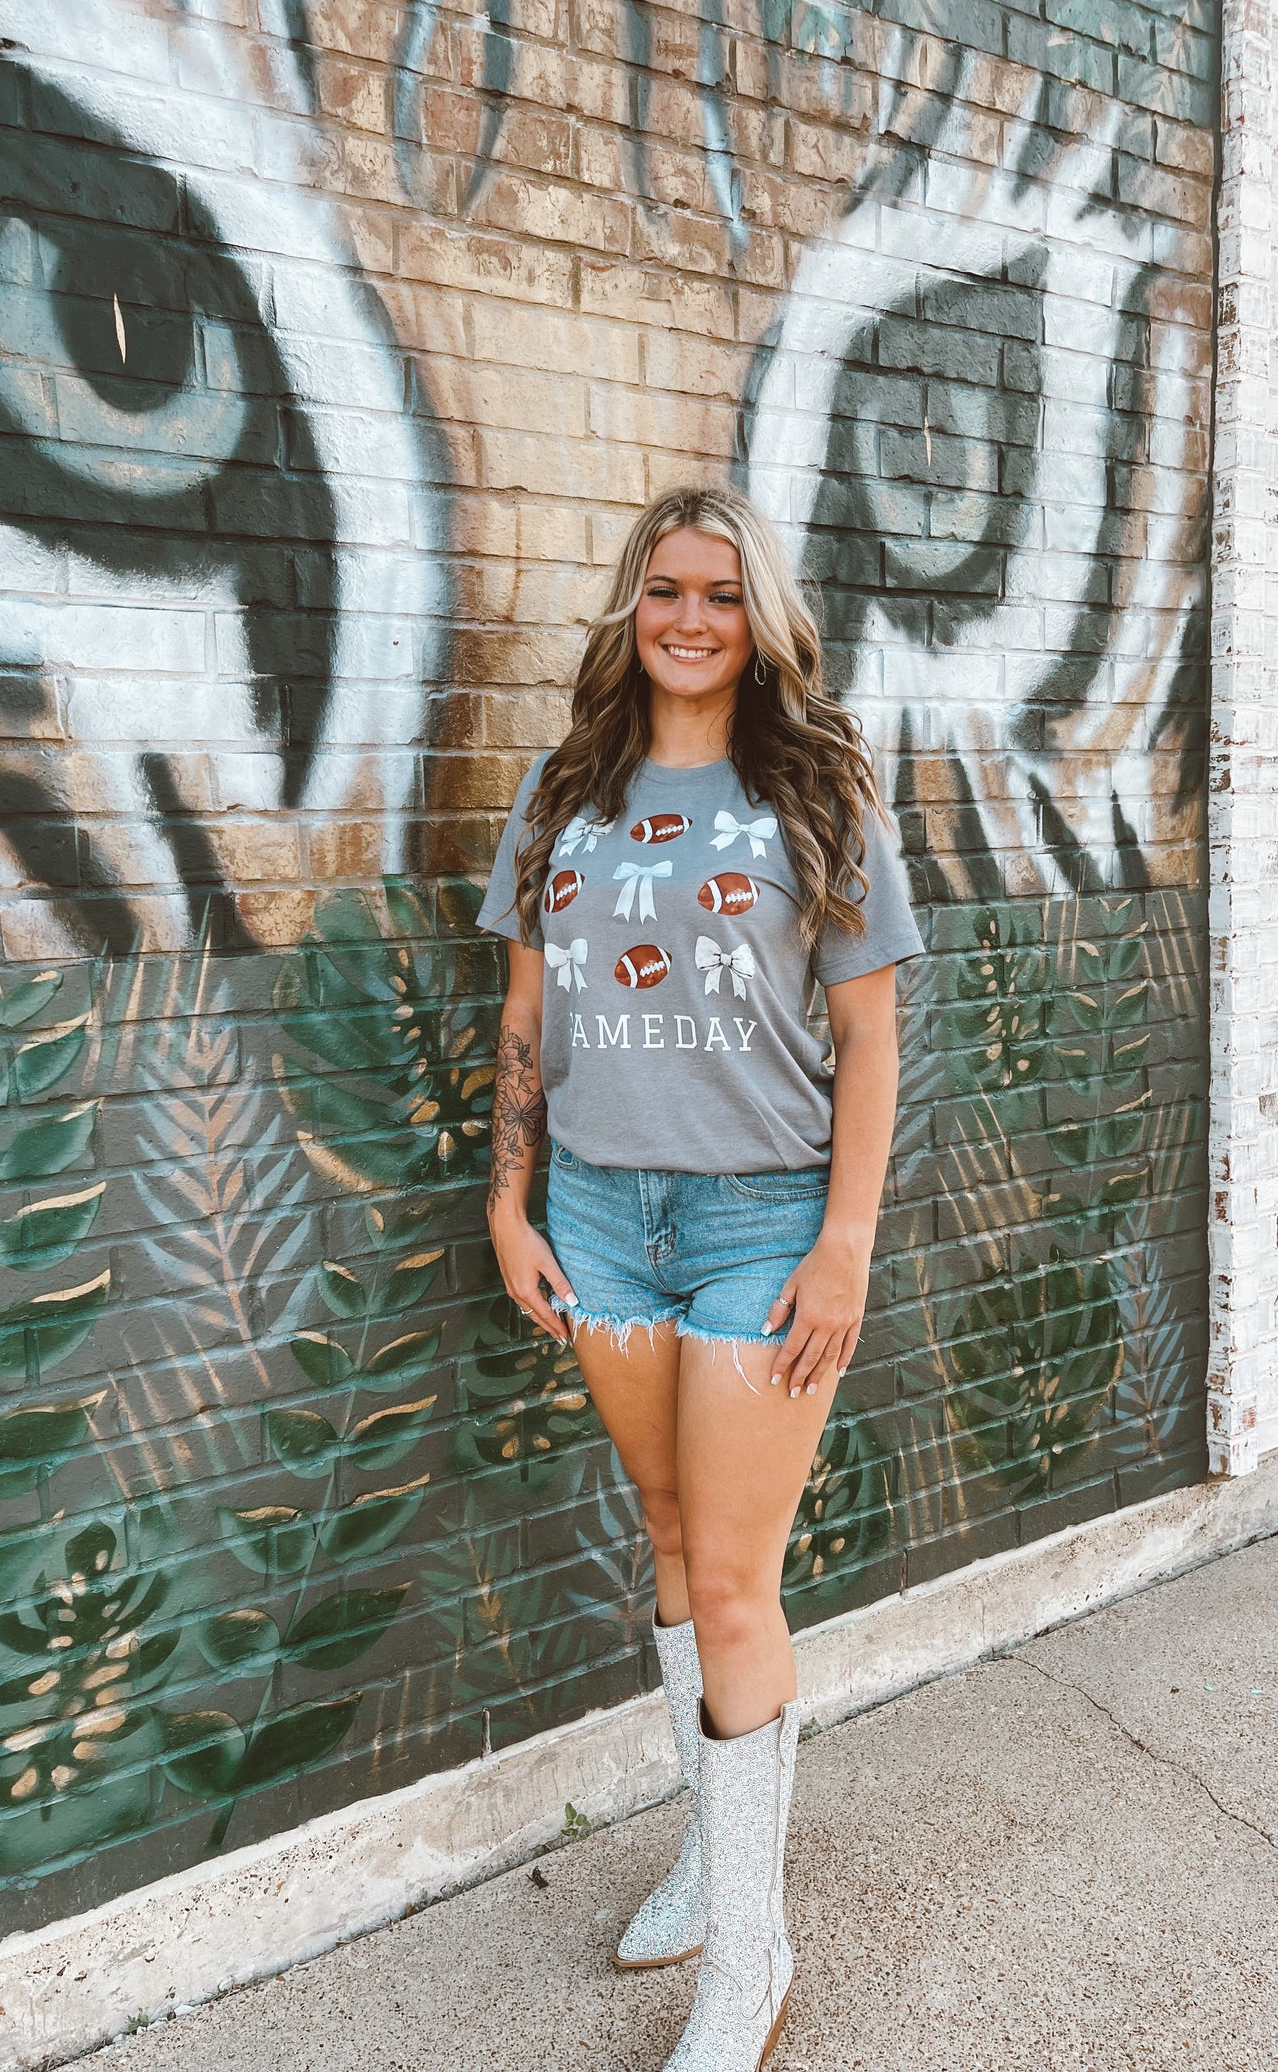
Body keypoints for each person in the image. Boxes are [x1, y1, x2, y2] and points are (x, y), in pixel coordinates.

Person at [476, 484, 923, 2072]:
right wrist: (509, 1201)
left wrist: (844, 1243)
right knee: (667, 1536)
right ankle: (710, 1859)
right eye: (664, 588)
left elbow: (869, 1034)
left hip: (758, 1229)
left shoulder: (817, 790)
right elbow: (526, 1020)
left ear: (759, 618)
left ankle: (751, 1959)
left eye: (720, 594)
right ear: (629, 605)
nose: (688, 617)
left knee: (736, 1580)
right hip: (596, 1219)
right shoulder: (560, 793)